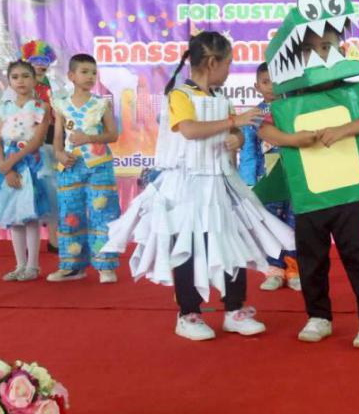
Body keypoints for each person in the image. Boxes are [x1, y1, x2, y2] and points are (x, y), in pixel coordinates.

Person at [103, 31, 295, 341]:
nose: (230, 70)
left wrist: (236, 138)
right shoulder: (180, 95)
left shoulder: (220, 97)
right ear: (212, 63)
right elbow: (190, 130)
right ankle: (188, 314)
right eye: (228, 64)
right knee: (188, 248)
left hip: (221, 184)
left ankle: (234, 309)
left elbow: (236, 133)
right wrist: (233, 124)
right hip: (186, 186)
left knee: (232, 244)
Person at [259, 24, 359, 349]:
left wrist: (345, 129)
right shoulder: (290, 97)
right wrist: (292, 139)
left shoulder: (352, 92)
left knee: (356, 253)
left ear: (340, 51)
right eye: (310, 50)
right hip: (309, 192)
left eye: (326, 47)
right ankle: (319, 316)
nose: (319, 55)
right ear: (298, 56)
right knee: (311, 258)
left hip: (348, 190)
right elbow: (265, 130)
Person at [47, 54, 121, 284]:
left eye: (93, 72)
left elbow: (113, 134)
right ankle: (72, 266)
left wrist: (88, 138)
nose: (90, 76)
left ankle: (105, 266)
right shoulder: (61, 104)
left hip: (99, 167)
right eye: (84, 72)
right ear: (71, 75)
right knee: (70, 216)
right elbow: (57, 137)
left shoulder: (101, 104)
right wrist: (59, 153)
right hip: (70, 166)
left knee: (103, 213)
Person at [0, 61, 51, 281]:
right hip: (7, 166)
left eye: (26, 76)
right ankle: (20, 265)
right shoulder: (4, 109)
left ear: (35, 79)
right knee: (14, 217)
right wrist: (5, 168)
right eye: (15, 77)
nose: (21, 81)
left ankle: (33, 266)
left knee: (30, 216)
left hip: (31, 164)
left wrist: (11, 163)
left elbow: (36, 140)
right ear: (9, 81)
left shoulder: (41, 107)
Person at [238, 62, 300, 292]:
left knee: (294, 223)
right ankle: (274, 271)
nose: (271, 86)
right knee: (271, 225)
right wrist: (249, 183)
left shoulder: (294, 108)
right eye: (265, 82)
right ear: (257, 86)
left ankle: (294, 270)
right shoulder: (253, 116)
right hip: (266, 180)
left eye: (276, 81)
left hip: (293, 177)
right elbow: (248, 151)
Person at [21, 39, 61, 253]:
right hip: (28, 137)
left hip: (49, 135)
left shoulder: (50, 85)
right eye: (35, 60)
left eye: (44, 61)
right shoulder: (21, 86)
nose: (40, 64)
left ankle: (54, 239)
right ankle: (29, 241)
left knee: (51, 188)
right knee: (30, 189)